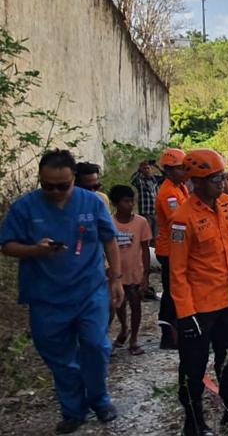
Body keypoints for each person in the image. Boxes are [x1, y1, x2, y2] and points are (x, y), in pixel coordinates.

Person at [0, 150, 124, 434]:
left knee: (96, 346)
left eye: (63, 185)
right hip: (46, 297)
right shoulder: (25, 208)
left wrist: (115, 279)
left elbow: (109, 240)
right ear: (40, 180)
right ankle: (73, 409)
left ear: (74, 180)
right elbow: (7, 245)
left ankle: (99, 399)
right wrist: (34, 250)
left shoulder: (91, 203)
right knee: (59, 356)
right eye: (48, 186)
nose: (55, 192)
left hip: (89, 291)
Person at [169, 149, 228, 435]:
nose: (222, 183)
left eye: (222, 177)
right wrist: (185, 313)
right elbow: (177, 270)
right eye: (214, 179)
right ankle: (193, 423)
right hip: (199, 309)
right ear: (196, 181)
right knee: (193, 367)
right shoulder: (183, 218)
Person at [109, 185, 152, 356]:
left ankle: (134, 339)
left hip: (135, 272)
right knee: (119, 304)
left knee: (136, 304)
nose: (130, 205)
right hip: (117, 273)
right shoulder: (110, 223)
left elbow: (145, 249)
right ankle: (124, 328)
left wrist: (146, 274)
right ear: (116, 203)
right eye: (126, 201)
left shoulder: (141, 222)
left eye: (131, 201)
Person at [155, 148, 189, 349]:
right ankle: (168, 335)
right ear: (168, 170)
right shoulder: (169, 193)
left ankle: (175, 332)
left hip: (177, 249)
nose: (184, 171)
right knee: (171, 293)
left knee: (177, 290)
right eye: (180, 168)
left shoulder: (180, 187)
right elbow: (178, 220)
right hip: (169, 251)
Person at [130, 159, 164, 240]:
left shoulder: (155, 179)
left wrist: (157, 166)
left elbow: (167, 176)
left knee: (156, 236)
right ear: (142, 170)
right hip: (146, 213)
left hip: (156, 213)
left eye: (148, 168)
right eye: (144, 168)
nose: (147, 170)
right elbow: (132, 180)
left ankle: (155, 251)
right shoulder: (140, 181)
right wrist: (139, 170)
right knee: (146, 236)